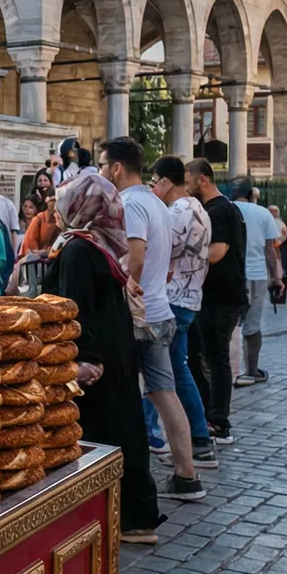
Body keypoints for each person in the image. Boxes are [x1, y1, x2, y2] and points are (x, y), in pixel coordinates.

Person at [43, 167, 163, 543]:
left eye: (64, 204)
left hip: (96, 360)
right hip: (116, 351)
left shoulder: (79, 248)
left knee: (102, 435)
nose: (58, 211)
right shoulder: (97, 243)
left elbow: (75, 309)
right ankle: (135, 515)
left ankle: (116, 517)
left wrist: (84, 359)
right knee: (123, 428)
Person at [101, 138, 203, 501]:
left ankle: (129, 478)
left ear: (116, 168)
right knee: (165, 394)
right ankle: (186, 475)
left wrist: (126, 287)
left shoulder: (129, 204)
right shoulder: (156, 202)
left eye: (103, 165)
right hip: (161, 310)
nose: (101, 172)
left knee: (129, 395)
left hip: (139, 315)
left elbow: (136, 257)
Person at [153, 156, 215, 469]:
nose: (153, 188)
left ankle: (199, 442)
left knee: (172, 372)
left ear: (165, 181)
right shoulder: (197, 208)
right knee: (173, 371)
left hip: (174, 300)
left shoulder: (177, 211)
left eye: (155, 181)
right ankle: (196, 440)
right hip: (188, 297)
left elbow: (162, 251)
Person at [185, 159, 248, 446]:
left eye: (188, 182)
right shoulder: (221, 208)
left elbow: (217, 252)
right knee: (197, 354)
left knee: (216, 358)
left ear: (203, 181)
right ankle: (206, 413)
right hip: (212, 296)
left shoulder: (218, 210)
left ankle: (220, 421)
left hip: (221, 297)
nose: (186, 188)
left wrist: (185, 258)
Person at [231, 183, 285, 387]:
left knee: (228, 325)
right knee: (252, 326)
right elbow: (269, 250)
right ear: (251, 195)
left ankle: (227, 370)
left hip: (230, 276)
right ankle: (251, 371)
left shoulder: (223, 209)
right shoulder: (263, 213)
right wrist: (276, 278)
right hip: (256, 275)